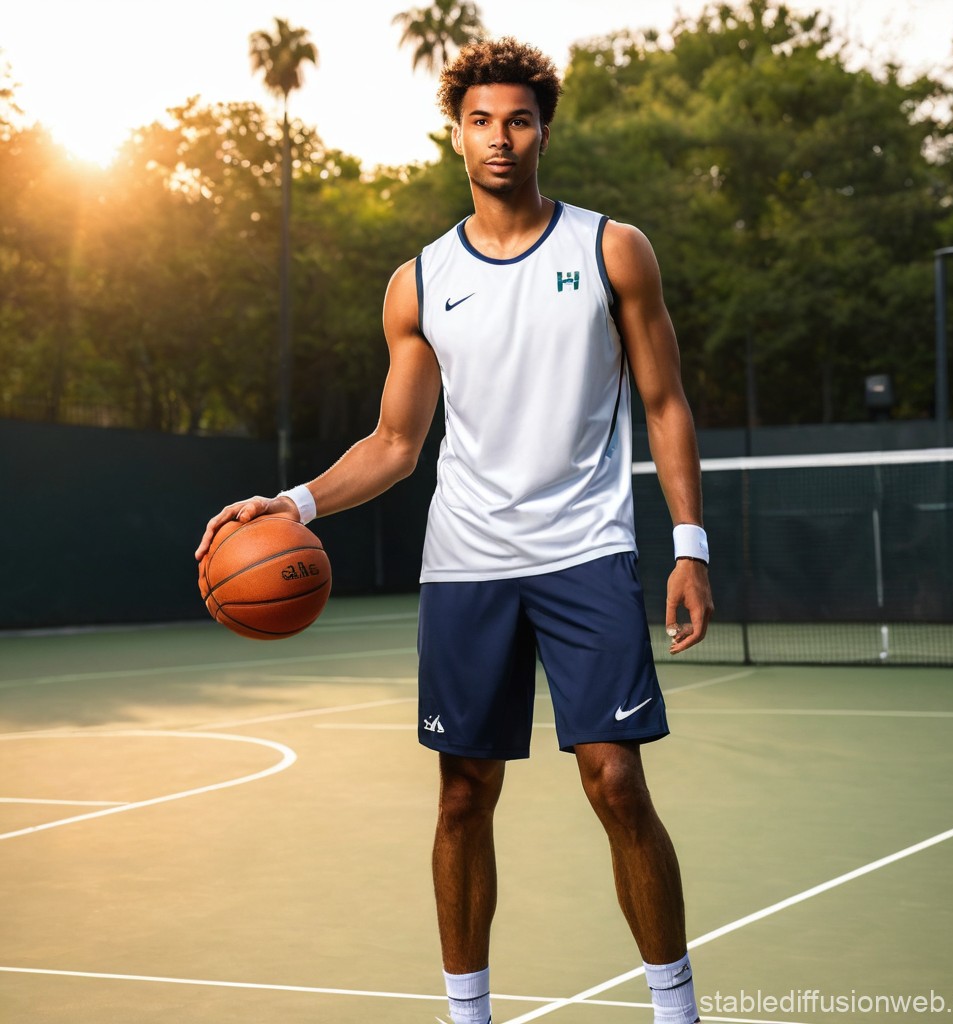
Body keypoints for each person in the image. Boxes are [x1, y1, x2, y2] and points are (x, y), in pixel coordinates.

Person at [196, 36, 712, 1024]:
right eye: (481, 121)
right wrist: (294, 504)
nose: (499, 137)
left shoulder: (611, 250)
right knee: (462, 797)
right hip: (468, 564)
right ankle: (466, 1013)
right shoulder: (421, 281)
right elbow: (395, 443)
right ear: (456, 137)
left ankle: (674, 1007)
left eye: (518, 119)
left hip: (585, 551)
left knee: (615, 781)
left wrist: (690, 545)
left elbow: (664, 404)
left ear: (544, 132)